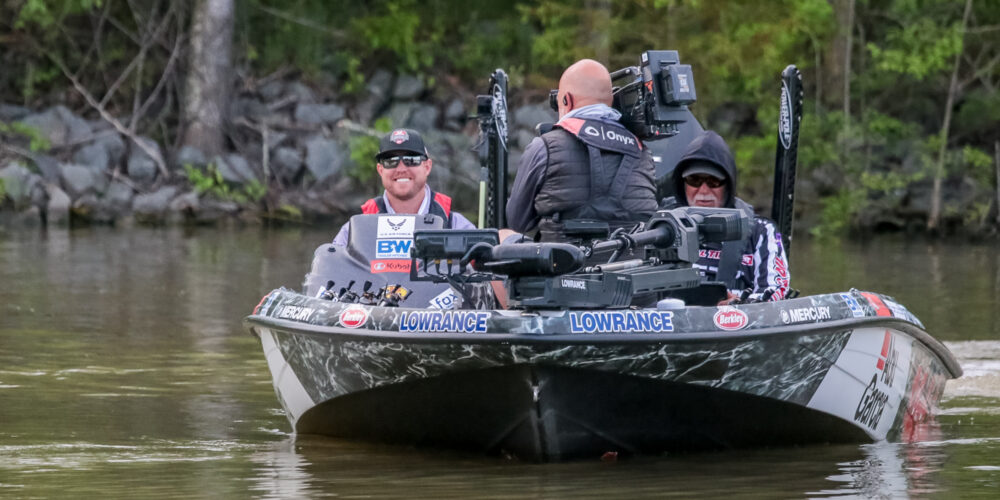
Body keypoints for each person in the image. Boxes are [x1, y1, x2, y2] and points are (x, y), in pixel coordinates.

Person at [506, 59, 658, 241]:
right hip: (634, 266)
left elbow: (517, 222)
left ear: (566, 100)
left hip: (563, 267)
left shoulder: (544, 147)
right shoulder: (642, 151)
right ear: (611, 101)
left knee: (505, 235)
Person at [667, 130, 790, 302]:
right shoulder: (663, 227)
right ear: (682, 184)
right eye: (694, 180)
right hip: (673, 320)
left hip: (735, 322)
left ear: (728, 185)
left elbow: (776, 288)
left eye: (713, 182)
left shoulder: (761, 230)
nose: (703, 190)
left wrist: (739, 305)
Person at [333, 128, 475, 246]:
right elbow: (329, 268)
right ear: (380, 170)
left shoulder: (455, 226)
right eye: (391, 161)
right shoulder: (357, 229)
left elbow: (488, 270)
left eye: (411, 160)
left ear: (427, 167)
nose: (401, 168)